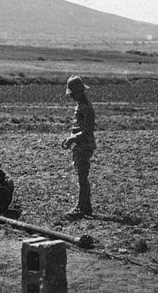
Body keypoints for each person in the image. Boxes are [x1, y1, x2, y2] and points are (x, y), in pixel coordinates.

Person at [62, 75, 96, 219]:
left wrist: (72, 139)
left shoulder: (86, 108)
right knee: (82, 176)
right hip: (80, 145)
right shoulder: (81, 106)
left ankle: (80, 209)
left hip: (84, 146)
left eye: (72, 94)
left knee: (82, 178)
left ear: (79, 92)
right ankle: (86, 207)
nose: (71, 97)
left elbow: (87, 131)